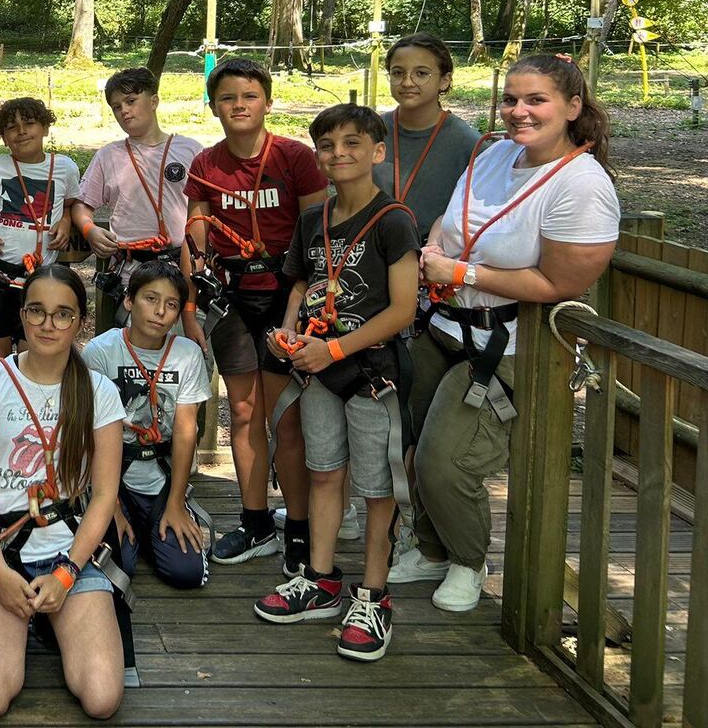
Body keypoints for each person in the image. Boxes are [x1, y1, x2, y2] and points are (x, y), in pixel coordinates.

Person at [387, 54, 619, 612]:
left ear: (572, 107)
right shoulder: (495, 155)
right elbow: (452, 218)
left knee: (445, 460)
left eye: (536, 100)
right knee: (411, 440)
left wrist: (462, 273)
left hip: (506, 345)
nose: (519, 111)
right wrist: (435, 248)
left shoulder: (581, 185)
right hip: (443, 327)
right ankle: (432, 548)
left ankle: (468, 560)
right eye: (511, 99)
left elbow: (561, 281)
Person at [254, 105, 419, 662]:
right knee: (324, 472)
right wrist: (288, 330)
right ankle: (320, 578)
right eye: (327, 145)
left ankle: (373, 595)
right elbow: (302, 285)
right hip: (317, 370)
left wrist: (336, 350)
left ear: (378, 151)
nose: (338, 153)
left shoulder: (393, 220)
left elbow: (402, 310)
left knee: (377, 489)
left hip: (370, 375)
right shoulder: (313, 220)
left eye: (352, 143)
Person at [0, 265, 126, 720]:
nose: (48, 324)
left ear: (79, 322)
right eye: (37, 311)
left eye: (62, 314)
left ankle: (56, 618)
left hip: (70, 553)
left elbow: (104, 493)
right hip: (3, 550)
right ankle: (14, 618)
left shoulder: (98, 391)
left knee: (102, 699)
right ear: (22, 315)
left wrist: (68, 573)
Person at [184, 58, 327, 573]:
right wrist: (190, 305)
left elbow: (319, 231)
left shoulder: (295, 157)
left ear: (267, 101)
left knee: (285, 417)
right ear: (213, 106)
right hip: (232, 297)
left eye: (249, 96)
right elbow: (195, 237)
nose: (238, 105)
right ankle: (255, 522)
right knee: (243, 412)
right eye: (227, 97)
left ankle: (300, 529)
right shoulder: (206, 164)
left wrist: (303, 305)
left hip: (287, 297)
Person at [83, 260, 210, 591]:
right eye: (150, 299)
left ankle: (154, 528)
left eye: (171, 305)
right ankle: (133, 532)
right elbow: (91, 433)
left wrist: (176, 502)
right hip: (113, 477)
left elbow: (186, 431)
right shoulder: (101, 351)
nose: (160, 312)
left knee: (186, 573)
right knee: (117, 568)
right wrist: (109, 504)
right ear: (129, 300)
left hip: (161, 479)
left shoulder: (187, 354)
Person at [75, 67, 205, 344]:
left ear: (154, 101)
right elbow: (82, 205)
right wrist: (89, 230)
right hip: (133, 275)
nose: (124, 111)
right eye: (116, 107)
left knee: (185, 349)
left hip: (184, 272)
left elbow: (208, 211)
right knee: (136, 351)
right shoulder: (109, 156)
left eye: (131, 101)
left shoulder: (190, 150)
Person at [0, 98, 82, 365]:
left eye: (29, 123)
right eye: (12, 127)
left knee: (34, 360)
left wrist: (66, 220)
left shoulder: (65, 167)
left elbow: (69, 202)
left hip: (42, 283)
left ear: (45, 128)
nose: (21, 131)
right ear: (3, 137)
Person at [373, 33, 481, 235]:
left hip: (434, 248)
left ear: (444, 81)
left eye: (421, 73)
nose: (407, 82)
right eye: (398, 73)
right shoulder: (370, 131)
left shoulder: (470, 145)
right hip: (371, 244)